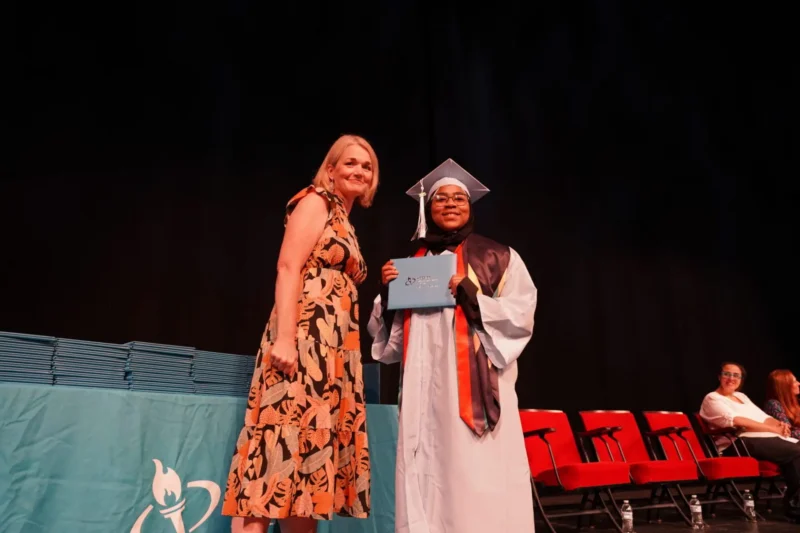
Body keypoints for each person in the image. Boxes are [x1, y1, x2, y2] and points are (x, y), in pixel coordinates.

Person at [367, 158, 537, 533]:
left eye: (458, 199)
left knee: (473, 475)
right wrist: (388, 291)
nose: (449, 204)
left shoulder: (498, 257)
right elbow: (388, 344)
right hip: (422, 395)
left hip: (473, 392)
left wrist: (470, 293)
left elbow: (521, 315)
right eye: (441, 199)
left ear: (470, 207)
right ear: (429, 210)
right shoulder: (412, 263)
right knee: (426, 475)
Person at [222, 135, 378, 533]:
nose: (360, 171)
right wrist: (286, 340)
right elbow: (288, 267)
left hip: (332, 353)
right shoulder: (316, 201)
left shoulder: (344, 218)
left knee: (308, 466)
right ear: (331, 169)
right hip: (304, 343)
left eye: (367, 167)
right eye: (351, 163)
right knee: (273, 453)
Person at [699, 362, 800, 520]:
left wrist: (780, 425)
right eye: (727, 374)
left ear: (741, 379)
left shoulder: (741, 397)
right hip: (736, 443)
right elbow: (738, 421)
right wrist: (773, 429)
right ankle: (794, 508)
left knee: (796, 454)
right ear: (719, 377)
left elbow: (764, 418)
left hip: (761, 438)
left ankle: (795, 508)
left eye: (736, 375)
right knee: (797, 451)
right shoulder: (713, 398)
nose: (731, 378)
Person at [765, 369, 800, 440]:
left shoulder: (797, 402)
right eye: (794, 381)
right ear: (784, 386)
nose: (798, 383)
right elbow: (787, 432)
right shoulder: (773, 404)